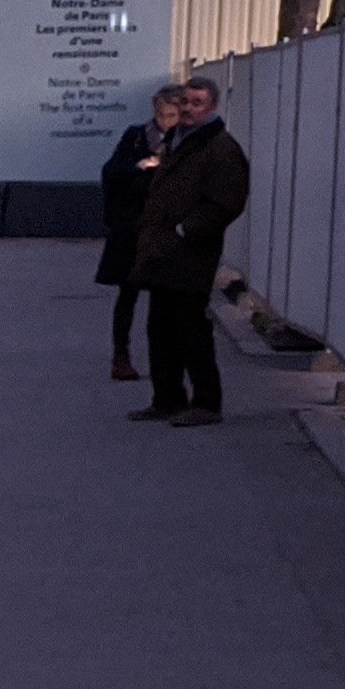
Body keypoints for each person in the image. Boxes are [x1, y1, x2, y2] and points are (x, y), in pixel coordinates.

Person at [129, 74, 248, 427]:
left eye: (196, 103)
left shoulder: (219, 148)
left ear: (212, 106)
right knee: (160, 327)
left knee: (190, 328)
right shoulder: (181, 140)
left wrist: (187, 229)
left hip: (190, 251)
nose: (187, 109)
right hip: (165, 248)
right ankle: (167, 398)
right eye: (184, 102)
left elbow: (227, 201)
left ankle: (206, 403)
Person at [99, 84, 181, 383]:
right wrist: (139, 166)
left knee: (164, 296)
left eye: (171, 115)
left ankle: (164, 360)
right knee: (128, 291)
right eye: (160, 114)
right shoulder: (136, 137)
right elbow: (111, 171)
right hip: (133, 224)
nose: (165, 121)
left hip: (165, 227)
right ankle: (121, 355)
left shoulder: (186, 141)